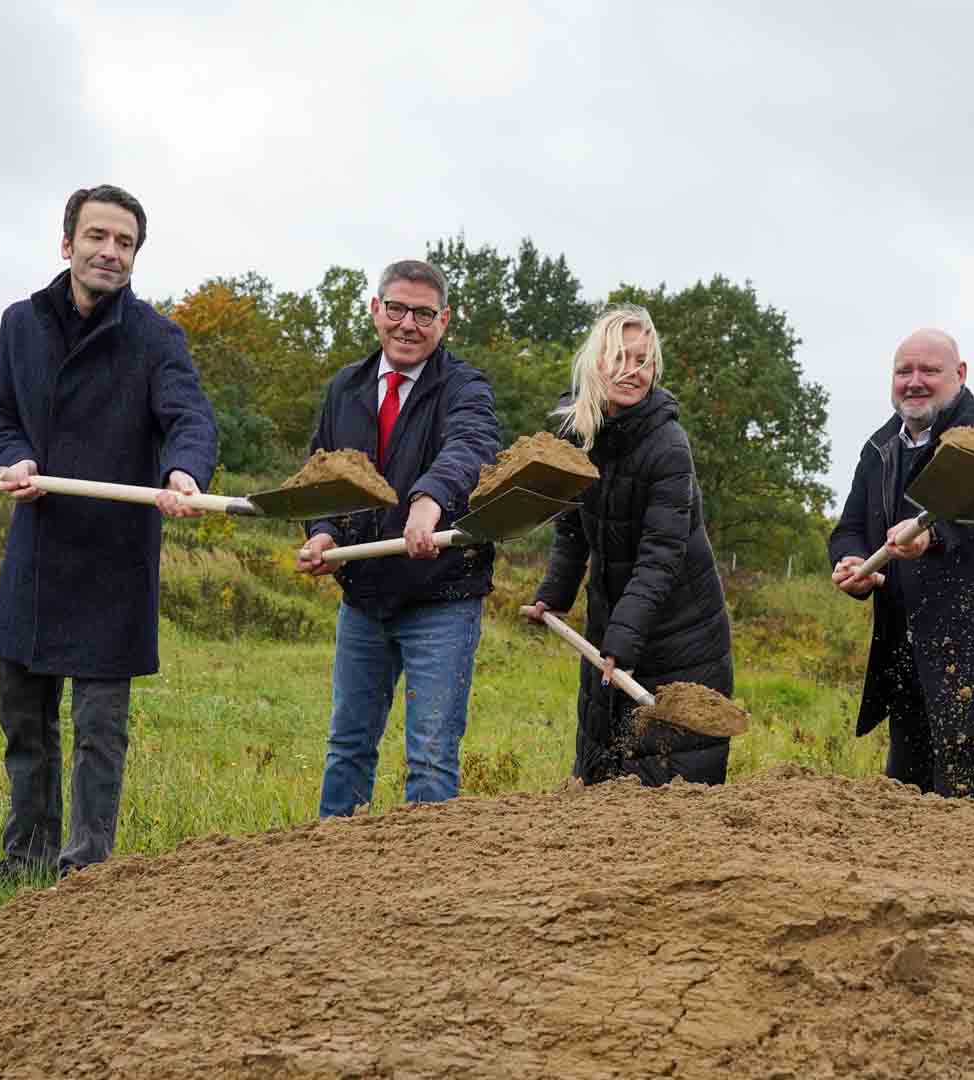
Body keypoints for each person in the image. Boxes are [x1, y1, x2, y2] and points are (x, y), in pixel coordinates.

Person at [0, 184, 218, 881]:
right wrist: (11, 453)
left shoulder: (156, 338)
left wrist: (184, 472)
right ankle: (26, 855)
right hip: (39, 551)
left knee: (99, 732)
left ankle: (86, 870)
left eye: (125, 243)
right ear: (67, 243)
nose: (110, 252)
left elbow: (190, 419)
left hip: (115, 561)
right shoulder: (21, 324)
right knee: (25, 720)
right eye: (98, 237)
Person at [296, 259, 501, 817]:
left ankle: (423, 890)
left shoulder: (464, 387)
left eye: (424, 314)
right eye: (397, 309)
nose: (408, 324)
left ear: (445, 321)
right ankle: (331, 874)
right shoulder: (347, 388)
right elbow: (325, 475)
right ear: (375, 310)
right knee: (347, 748)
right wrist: (319, 534)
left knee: (431, 757)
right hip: (363, 598)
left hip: (441, 597)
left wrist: (430, 498)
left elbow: (473, 443)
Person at [827, 328, 974, 801]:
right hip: (912, 662)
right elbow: (850, 527)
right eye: (904, 371)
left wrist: (929, 536)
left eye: (929, 371)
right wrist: (852, 563)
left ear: (960, 374)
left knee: (966, 816)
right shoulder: (880, 447)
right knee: (906, 807)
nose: (915, 382)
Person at [523, 305, 734, 787]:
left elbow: (662, 554)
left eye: (643, 360)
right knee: (601, 769)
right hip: (615, 620)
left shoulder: (668, 446)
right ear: (596, 363)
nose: (631, 371)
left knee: (669, 783)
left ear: (655, 368)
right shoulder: (577, 434)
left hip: (683, 634)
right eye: (619, 357)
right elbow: (573, 527)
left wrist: (622, 639)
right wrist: (554, 594)